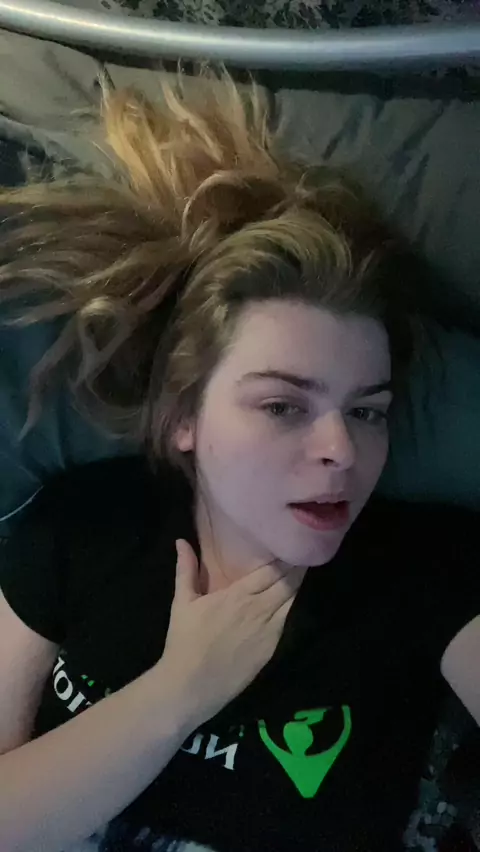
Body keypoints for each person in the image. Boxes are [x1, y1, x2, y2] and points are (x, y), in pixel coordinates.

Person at [0, 71, 478, 852]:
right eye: (283, 406)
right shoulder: (82, 529)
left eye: (367, 411)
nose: (341, 450)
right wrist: (176, 695)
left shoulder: (427, 573)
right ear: (184, 417)